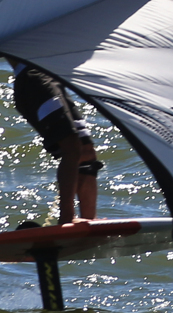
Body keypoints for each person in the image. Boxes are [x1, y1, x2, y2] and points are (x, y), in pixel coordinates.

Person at [9, 59, 103, 225]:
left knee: (86, 152)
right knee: (71, 146)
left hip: (52, 77)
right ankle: (67, 218)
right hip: (35, 79)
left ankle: (89, 221)